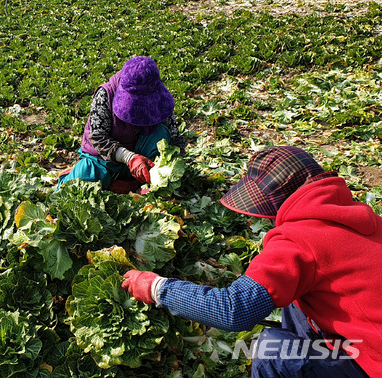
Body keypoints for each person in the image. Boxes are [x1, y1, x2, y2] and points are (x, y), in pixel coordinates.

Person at [121, 146, 381, 377]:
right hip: (367, 338)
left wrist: (157, 287)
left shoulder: (299, 239)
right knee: (293, 298)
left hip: (372, 364)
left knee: (273, 352)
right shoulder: (359, 216)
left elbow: (233, 311)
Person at [57, 56, 186, 193]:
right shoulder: (105, 95)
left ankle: (137, 181)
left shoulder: (160, 98)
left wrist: (166, 171)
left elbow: (174, 137)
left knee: (161, 134)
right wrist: (129, 158)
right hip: (106, 160)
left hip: (144, 155)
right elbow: (97, 136)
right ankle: (81, 176)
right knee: (81, 183)